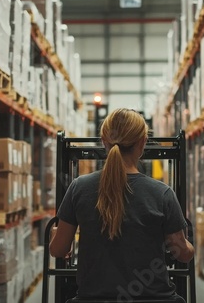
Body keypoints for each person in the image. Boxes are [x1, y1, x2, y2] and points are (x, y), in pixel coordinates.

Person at [50, 108, 194, 302]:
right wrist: (188, 245)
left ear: (103, 140)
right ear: (143, 142)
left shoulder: (79, 188)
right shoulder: (162, 193)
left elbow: (58, 250)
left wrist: (56, 236)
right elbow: (183, 255)